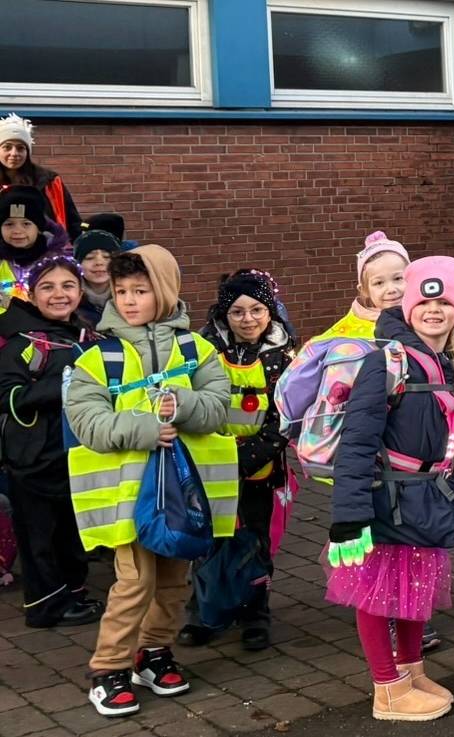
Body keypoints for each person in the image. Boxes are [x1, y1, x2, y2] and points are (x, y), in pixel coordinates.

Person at [66, 246, 236, 717]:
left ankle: (154, 652)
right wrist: (142, 426)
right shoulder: (97, 357)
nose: (128, 300)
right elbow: (85, 419)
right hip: (129, 499)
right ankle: (109, 668)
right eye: (120, 292)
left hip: (183, 496)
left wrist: (182, 404)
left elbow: (219, 406)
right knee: (134, 583)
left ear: (164, 290)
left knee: (174, 582)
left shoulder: (198, 350)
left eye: (140, 290)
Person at [325, 256, 454, 722]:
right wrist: (348, 517)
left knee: (416, 588)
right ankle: (387, 689)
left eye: (445, 302)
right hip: (385, 500)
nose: (435, 310)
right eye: (425, 302)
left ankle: (410, 672)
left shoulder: (444, 361)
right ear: (409, 308)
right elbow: (357, 441)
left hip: (426, 497)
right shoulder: (385, 361)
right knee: (377, 593)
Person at [176, 270, 295, 652]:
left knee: (255, 542)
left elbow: (288, 416)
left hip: (260, 466)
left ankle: (255, 614)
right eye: (237, 312)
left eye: (257, 310)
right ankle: (205, 614)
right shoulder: (202, 350)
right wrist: (219, 454)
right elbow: (192, 403)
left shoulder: (286, 354)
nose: (248, 319)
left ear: (271, 311)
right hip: (210, 464)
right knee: (208, 540)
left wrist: (249, 455)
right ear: (223, 315)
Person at [0, 256, 104, 628]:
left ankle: (71, 593)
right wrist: (65, 387)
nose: (58, 294)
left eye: (67, 286)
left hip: (75, 453)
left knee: (69, 530)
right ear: (31, 292)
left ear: (79, 291)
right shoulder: (20, 341)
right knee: (39, 536)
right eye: (47, 287)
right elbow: (8, 397)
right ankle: (45, 606)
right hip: (35, 457)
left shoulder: (87, 334)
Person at [0, 115, 81, 239]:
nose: (14, 153)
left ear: (27, 152)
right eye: (7, 147)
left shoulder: (49, 181)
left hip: (45, 251)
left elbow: (72, 221)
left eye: (21, 148)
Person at [0, 185, 72, 303]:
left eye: (26, 224)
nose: (17, 231)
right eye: (9, 224)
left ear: (38, 228)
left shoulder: (58, 261)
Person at [74, 228, 121, 326]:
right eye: (89, 258)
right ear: (78, 263)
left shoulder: (129, 296)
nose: (99, 263)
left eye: (107, 257)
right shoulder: (71, 299)